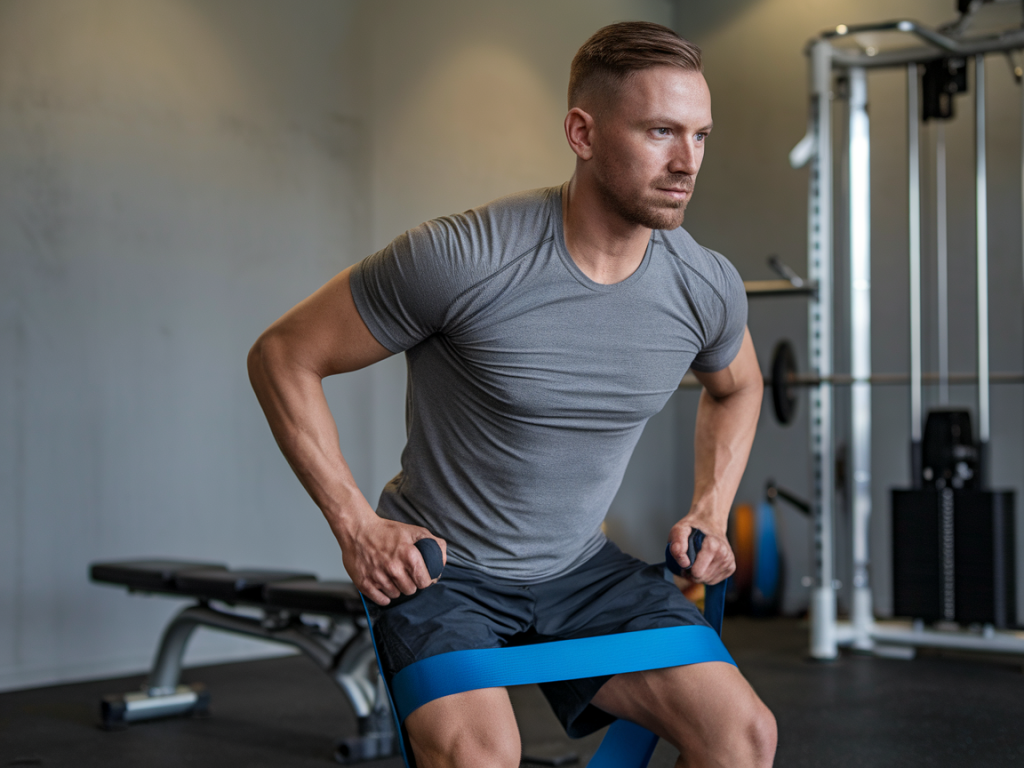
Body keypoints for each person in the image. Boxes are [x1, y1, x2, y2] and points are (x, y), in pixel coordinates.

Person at [248, 20, 776, 768]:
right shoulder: (464, 257)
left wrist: (710, 508)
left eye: (700, 135)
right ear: (582, 133)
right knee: (480, 756)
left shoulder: (704, 284)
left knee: (745, 737)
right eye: (661, 131)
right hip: (443, 571)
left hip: (581, 572)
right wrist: (356, 525)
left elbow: (740, 386)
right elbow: (283, 354)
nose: (686, 162)